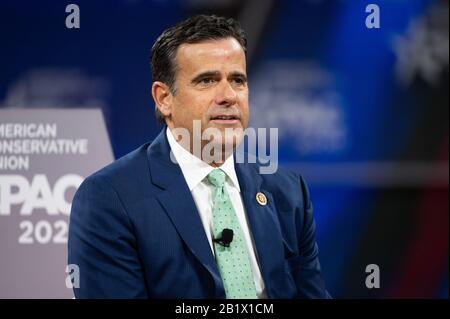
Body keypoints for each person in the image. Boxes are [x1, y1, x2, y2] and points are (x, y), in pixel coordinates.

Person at [68, 14, 330, 299]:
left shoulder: (287, 191)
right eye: (207, 80)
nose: (228, 96)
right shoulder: (110, 198)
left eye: (237, 80)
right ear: (164, 98)